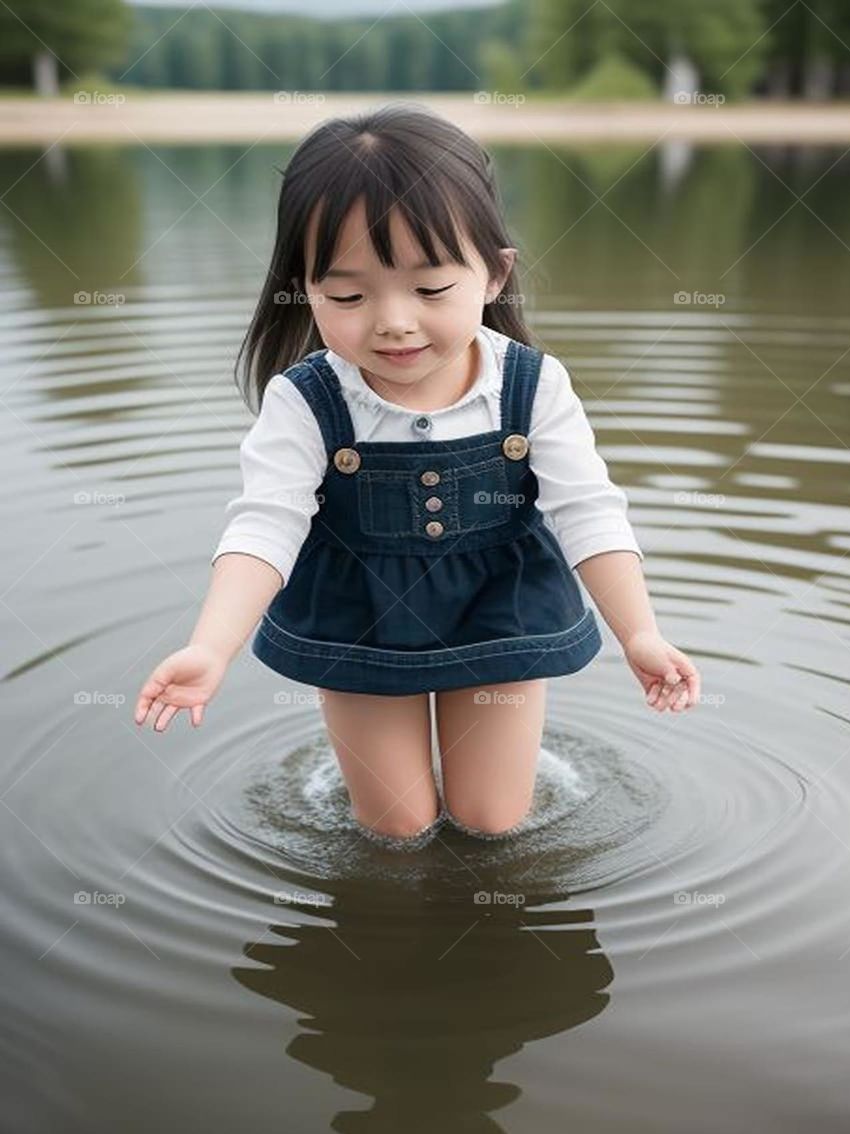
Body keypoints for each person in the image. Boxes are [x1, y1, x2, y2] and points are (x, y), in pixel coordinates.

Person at [134, 103, 701, 849]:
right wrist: (211, 647)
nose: (393, 322)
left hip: (501, 615)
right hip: (358, 619)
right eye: (347, 295)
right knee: (397, 830)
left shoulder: (532, 386)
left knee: (492, 822)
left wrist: (640, 634)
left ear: (493, 273)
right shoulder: (306, 400)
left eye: (431, 290)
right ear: (303, 287)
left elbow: (588, 511)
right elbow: (264, 525)